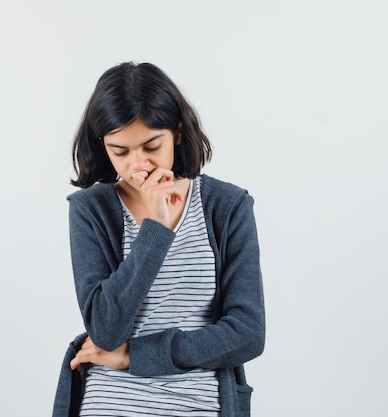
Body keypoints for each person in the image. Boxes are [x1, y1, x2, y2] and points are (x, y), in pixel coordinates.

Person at [52, 62, 265, 417]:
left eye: (151, 146)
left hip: (199, 403)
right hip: (110, 401)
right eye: (120, 151)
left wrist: (135, 355)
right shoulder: (91, 210)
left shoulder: (227, 207)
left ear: (177, 133)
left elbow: (247, 333)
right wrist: (155, 230)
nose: (138, 165)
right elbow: (105, 330)